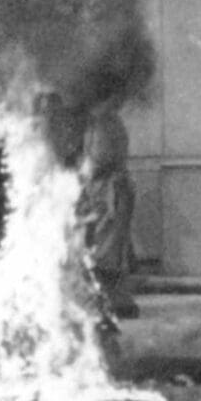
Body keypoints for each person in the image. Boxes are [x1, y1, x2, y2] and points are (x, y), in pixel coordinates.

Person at [79, 98, 140, 320]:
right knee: (110, 250)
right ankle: (117, 301)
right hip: (106, 193)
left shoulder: (105, 123)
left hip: (108, 194)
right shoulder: (102, 122)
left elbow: (99, 159)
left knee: (107, 252)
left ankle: (115, 302)